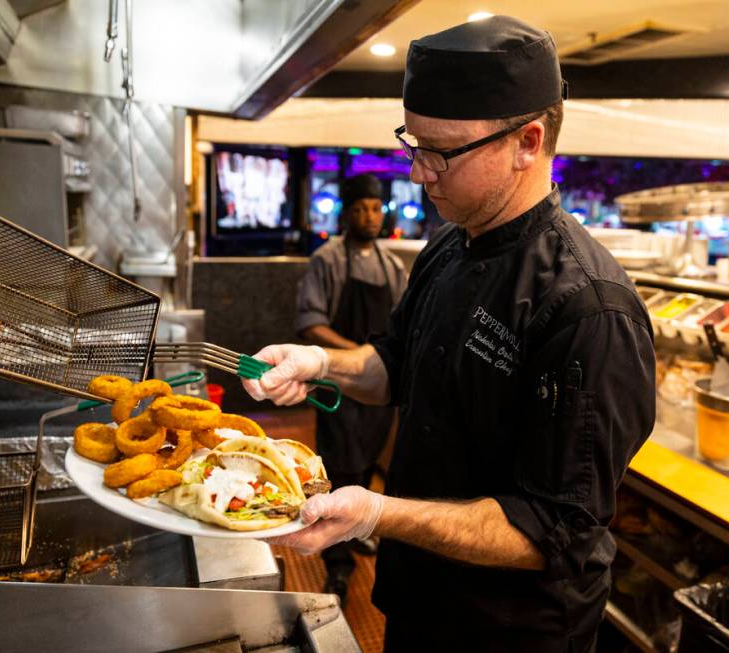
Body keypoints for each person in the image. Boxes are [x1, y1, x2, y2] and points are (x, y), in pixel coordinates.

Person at [245, 15, 655, 652]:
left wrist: (380, 514)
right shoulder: (448, 247)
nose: (418, 173)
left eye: (441, 151)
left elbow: (552, 529)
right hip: (420, 595)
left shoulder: (589, 309)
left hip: (510, 632)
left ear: (528, 141)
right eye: (414, 143)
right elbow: (395, 363)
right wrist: (320, 364)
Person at [293, 174, 409, 602]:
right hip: (337, 387)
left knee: (361, 468)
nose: (369, 216)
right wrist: (359, 354)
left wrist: (378, 361)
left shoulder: (390, 265)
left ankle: (354, 531)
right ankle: (337, 567)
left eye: (376, 209)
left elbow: (401, 326)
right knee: (337, 469)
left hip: (376, 390)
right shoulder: (327, 260)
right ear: (346, 212)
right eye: (361, 208)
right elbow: (310, 323)